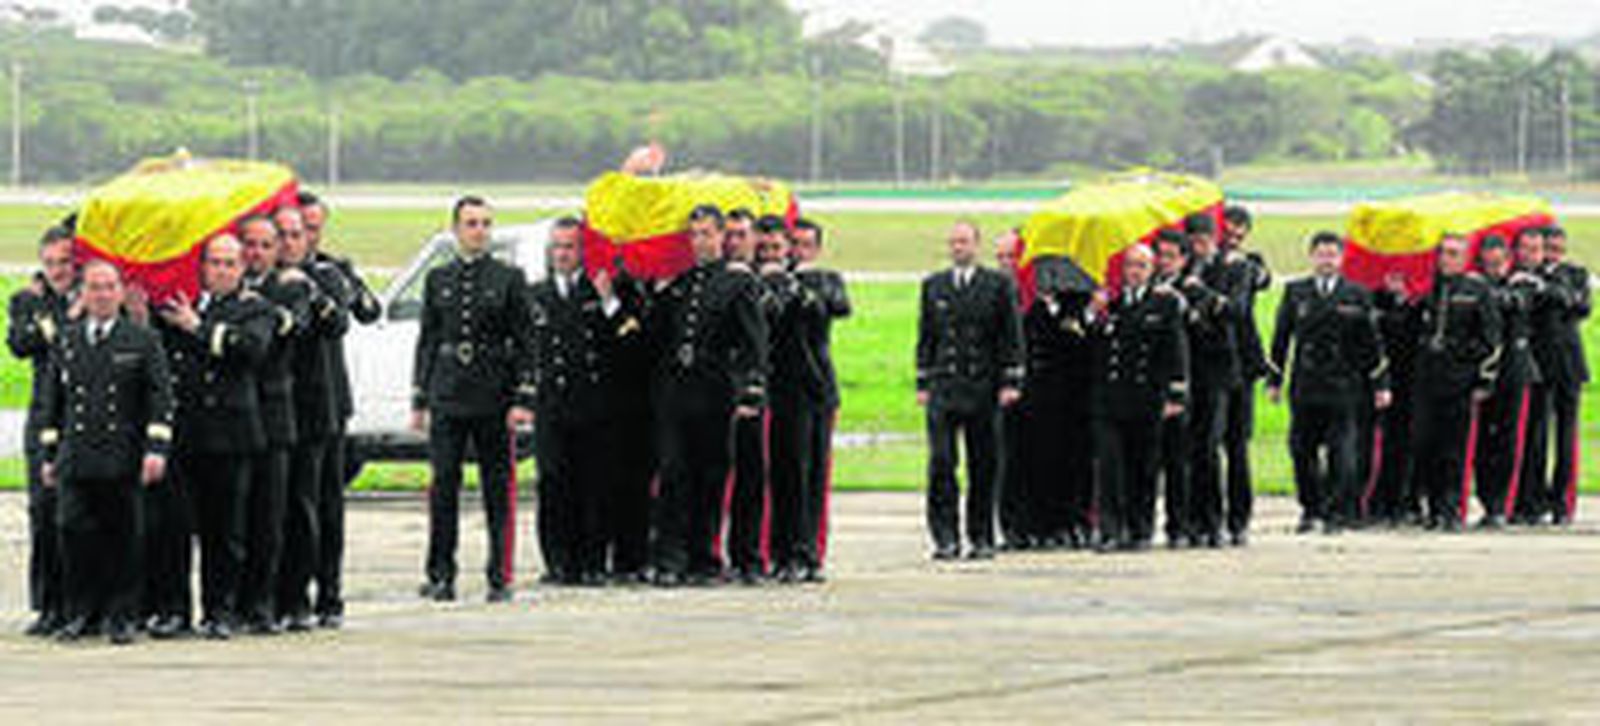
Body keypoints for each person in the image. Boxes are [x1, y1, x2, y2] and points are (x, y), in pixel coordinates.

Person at [37, 260, 173, 645]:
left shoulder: (141, 339)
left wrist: (156, 449)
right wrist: (49, 454)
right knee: (72, 533)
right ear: (83, 293)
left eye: (110, 287)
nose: (102, 295)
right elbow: (53, 401)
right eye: (94, 288)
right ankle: (81, 613)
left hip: (122, 456)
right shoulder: (67, 339)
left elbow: (160, 398)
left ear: (121, 292)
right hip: (76, 455)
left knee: (124, 537)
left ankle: (122, 616)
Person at [413, 196, 536, 603]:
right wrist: (420, 397)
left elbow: (526, 341)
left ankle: (500, 575)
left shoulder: (509, 277)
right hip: (448, 393)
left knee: (497, 489)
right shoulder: (438, 278)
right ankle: (440, 574)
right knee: (443, 487)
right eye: (471, 223)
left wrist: (523, 397)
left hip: (493, 396)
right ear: (456, 229)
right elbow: (429, 339)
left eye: (485, 223)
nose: (479, 231)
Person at [157, 235, 277, 639]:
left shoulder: (255, 308)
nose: (222, 271)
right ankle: (174, 611)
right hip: (183, 433)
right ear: (202, 266)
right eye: (215, 262)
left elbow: (250, 349)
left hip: (229, 435)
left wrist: (196, 327)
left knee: (224, 532)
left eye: (230, 263)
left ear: (242, 268)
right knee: (173, 529)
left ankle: (220, 611)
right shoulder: (179, 303)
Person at [648, 205, 767, 586]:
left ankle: (703, 558)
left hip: (715, 392)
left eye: (706, 234)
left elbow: (753, 342)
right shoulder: (680, 282)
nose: (700, 242)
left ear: (720, 237)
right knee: (673, 473)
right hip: (676, 393)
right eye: (694, 234)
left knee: (710, 476)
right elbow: (656, 334)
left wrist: (751, 390)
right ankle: (670, 558)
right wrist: (658, 292)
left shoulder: (736, 283)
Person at [527, 217, 634, 587]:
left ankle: (592, 562)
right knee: (553, 483)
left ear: (583, 251)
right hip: (552, 406)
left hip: (595, 405)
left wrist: (609, 301)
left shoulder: (599, 291)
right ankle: (558, 562)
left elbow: (630, 338)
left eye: (570, 247)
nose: (562, 254)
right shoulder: (535, 294)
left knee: (594, 485)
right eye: (556, 247)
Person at [1267, 232, 1390, 535]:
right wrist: (1275, 379)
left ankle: (1335, 512)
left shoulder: (1357, 294)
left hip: (1344, 386)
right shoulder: (1296, 292)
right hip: (1306, 385)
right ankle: (1311, 509)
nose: (1327, 261)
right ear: (1312, 256)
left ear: (1341, 258)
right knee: (1301, 451)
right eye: (1321, 254)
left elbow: (1372, 345)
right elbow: (1281, 339)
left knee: (1342, 454)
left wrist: (1380, 384)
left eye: (1332, 255)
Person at [917, 220, 1024, 561]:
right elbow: (927, 337)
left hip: (983, 387)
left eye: (964, 242)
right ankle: (945, 537)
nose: (958, 248)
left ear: (976, 245)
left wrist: (1011, 381)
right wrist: (923, 382)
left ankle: (981, 536)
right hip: (944, 386)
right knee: (941, 463)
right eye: (953, 242)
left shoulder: (997, 285)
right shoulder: (933, 285)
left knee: (984, 465)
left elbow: (1011, 336)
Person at [301, 191, 381, 624]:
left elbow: (369, 311)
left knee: (328, 503)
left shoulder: (330, 270)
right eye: (301, 227)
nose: (308, 236)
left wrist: (346, 281)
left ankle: (329, 595)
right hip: (290, 401)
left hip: (329, 399)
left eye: (314, 227)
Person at [274, 205, 350, 630]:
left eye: (295, 234)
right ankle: (288, 593)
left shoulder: (325, 277)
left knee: (321, 506)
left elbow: (338, 322)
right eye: (281, 235)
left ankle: (327, 594)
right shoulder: (265, 283)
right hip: (280, 406)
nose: (288, 243)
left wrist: (309, 290)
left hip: (320, 406)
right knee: (285, 506)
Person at [238, 214, 314, 634]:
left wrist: (257, 305)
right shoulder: (225, 288)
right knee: (234, 518)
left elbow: (293, 325)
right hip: (232, 417)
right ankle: (234, 603)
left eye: (266, 245)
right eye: (250, 244)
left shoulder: (291, 287)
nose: (257, 253)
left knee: (272, 517)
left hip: (273, 416)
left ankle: (269, 603)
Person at [1091, 244, 1187, 553]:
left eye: (1142, 266)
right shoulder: (1111, 303)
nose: (1134, 271)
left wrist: (1175, 394)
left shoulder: (1164, 303)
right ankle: (1110, 529)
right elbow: (1092, 344)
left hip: (1147, 396)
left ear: (1151, 269)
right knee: (1109, 467)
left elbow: (1175, 349)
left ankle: (1139, 528)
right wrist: (1094, 313)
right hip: (1111, 397)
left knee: (1143, 467)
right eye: (1130, 265)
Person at [1403, 234, 1501, 531]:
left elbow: (1492, 339)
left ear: (1465, 257)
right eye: (1443, 253)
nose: (1447, 259)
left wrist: (1483, 379)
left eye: (1454, 253)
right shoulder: (1427, 287)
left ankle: (1451, 509)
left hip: (1460, 381)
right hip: (1426, 380)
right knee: (1424, 444)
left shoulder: (1477, 290)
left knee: (1454, 449)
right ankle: (1432, 508)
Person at [7, 226, 76, 636]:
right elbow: (20, 342)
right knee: (43, 513)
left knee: (85, 515)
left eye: (64, 262)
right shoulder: (28, 299)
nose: (57, 271)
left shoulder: (97, 293)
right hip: (45, 417)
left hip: (87, 420)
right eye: (49, 263)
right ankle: (49, 605)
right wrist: (62, 319)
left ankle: (86, 603)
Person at [758, 215, 829, 583]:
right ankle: (777, 552)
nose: (771, 254)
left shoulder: (811, 281)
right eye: (765, 248)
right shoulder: (751, 282)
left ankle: (803, 551)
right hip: (766, 388)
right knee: (772, 476)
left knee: (801, 473)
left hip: (799, 389)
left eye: (777, 248)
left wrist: (789, 285)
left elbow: (825, 311)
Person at [789, 218, 850, 571]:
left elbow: (840, 307)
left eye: (807, 244)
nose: (799, 251)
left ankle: (812, 548)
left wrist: (807, 280)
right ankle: (791, 547)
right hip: (787, 385)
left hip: (818, 383)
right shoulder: (774, 280)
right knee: (792, 471)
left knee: (816, 470)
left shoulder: (827, 279)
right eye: (795, 244)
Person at [1472, 236, 1540, 529]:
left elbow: (1515, 304)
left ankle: (1502, 504)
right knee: (1481, 443)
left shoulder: (1522, 283)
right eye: (1488, 264)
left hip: (1514, 372)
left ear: (1508, 261)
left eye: (1499, 263)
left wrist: (1481, 290)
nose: (1494, 269)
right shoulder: (1476, 285)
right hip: (1485, 373)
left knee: (1509, 440)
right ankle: (1488, 500)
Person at [724, 209, 775, 584]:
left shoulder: (764, 280)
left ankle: (749, 556)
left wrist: (752, 391)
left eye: (741, 234)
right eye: (729, 235)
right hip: (713, 392)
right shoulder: (709, 278)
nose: (734, 242)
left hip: (749, 393)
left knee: (751, 478)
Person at [1539, 226, 1589, 524]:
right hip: (1541, 363)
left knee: (1566, 435)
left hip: (1569, 362)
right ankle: (1534, 499)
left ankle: (1562, 502)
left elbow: (1582, 306)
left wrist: (1554, 289)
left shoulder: (1575, 273)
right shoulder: (1529, 275)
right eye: (1549, 248)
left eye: (1558, 249)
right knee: (1537, 436)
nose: (1553, 254)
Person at [993, 231, 1033, 550]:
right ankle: (1009, 526)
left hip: (1039, 389)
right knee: (1004, 459)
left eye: (1012, 257)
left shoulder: (1035, 294)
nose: (1007, 264)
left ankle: (1034, 524)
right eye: (1001, 257)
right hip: (1000, 389)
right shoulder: (992, 290)